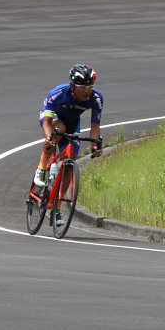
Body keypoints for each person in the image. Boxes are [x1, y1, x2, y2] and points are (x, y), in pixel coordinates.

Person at [34, 64, 103, 226]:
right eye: (83, 87)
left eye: (90, 87)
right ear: (72, 85)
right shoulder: (58, 93)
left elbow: (95, 127)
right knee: (60, 129)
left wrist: (94, 146)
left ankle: (57, 209)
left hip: (73, 122)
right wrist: (49, 137)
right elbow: (47, 123)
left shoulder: (96, 99)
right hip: (52, 118)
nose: (87, 91)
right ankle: (41, 169)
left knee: (71, 159)